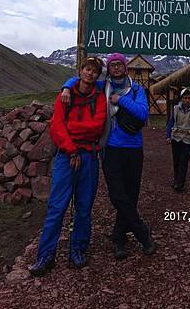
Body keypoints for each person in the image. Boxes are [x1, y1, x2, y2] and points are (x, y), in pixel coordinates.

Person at [61, 52, 156, 260]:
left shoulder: (138, 89)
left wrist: (120, 100)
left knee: (130, 196)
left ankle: (119, 238)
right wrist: (67, 86)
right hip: (110, 148)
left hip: (133, 148)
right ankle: (142, 232)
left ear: (125, 67)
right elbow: (81, 80)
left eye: (119, 64)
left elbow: (143, 113)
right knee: (117, 195)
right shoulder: (101, 86)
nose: (116, 68)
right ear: (109, 69)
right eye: (112, 65)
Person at [29, 56, 107, 276]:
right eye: (87, 69)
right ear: (80, 71)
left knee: (83, 207)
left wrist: (74, 134)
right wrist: (72, 149)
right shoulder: (65, 96)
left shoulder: (99, 98)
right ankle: (46, 256)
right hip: (67, 155)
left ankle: (78, 250)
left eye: (94, 71)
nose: (90, 73)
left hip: (89, 156)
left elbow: (96, 126)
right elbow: (56, 126)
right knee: (57, 206)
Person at [166, 88, 190, 192]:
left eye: (189, 98)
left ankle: (180, 184)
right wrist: (168, 136)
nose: (187, 100)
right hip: (176, 138)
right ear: (181, 99)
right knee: (176, 161)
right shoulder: (176, 108)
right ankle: (176, 180)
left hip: (189, 140)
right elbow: (171, 122)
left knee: (184, 160)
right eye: (184, 98)